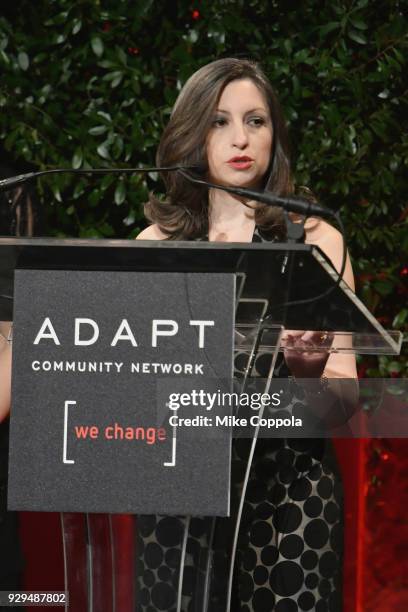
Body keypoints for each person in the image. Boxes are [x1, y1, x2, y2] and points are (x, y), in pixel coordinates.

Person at [136, 58, 357, 612]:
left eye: (256, 121)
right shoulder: (155, 244)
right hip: (179, 500)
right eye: (219, 121)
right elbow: (131, 388)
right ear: (192, 134)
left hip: (289, 497)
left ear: (274, 134)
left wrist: (307, 375)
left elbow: (345, 400)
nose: (240, 138)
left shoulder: (315, 242)